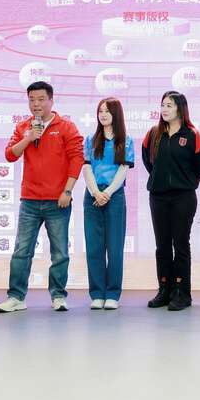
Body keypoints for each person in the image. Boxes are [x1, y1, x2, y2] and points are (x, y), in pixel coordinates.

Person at [0, 81, 84, 313]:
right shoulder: (23, 126)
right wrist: (28, 138)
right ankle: (16, 297)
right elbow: (10, 155)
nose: (36, 104)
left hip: (58, 201)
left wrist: (67, 191)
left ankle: (58, 296)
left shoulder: (66, 126)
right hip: (30, 201)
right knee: (22, 251)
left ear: (51, 100)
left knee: (60, 253)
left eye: (41, 99)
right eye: (32, 100)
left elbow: (77, 158)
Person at [142, 91, 200, 311]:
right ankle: (164, 289)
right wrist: (160, 179)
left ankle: (182, 292)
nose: (164, 109)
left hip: (183, 197)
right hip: (158, 196)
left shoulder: (192, 134)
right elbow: (148, 161)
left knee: (180, 244)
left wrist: (184, 181)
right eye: (163, 105)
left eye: (169, 105)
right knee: (162, 245)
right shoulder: (153, 134)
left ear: (180, 108)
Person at [82, 98, 135, 311]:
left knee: (114, 248)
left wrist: (107, 192)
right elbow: (86, 167)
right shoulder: (90, 139)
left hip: (114, 196)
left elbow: (123, 169)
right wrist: (95, 191)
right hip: (92, 195)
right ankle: (97, 294)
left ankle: (112, 294)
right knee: (94, 247)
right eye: (100, 111)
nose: (103, 114)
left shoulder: (126, 141)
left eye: (107, 111)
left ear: (116, 114)